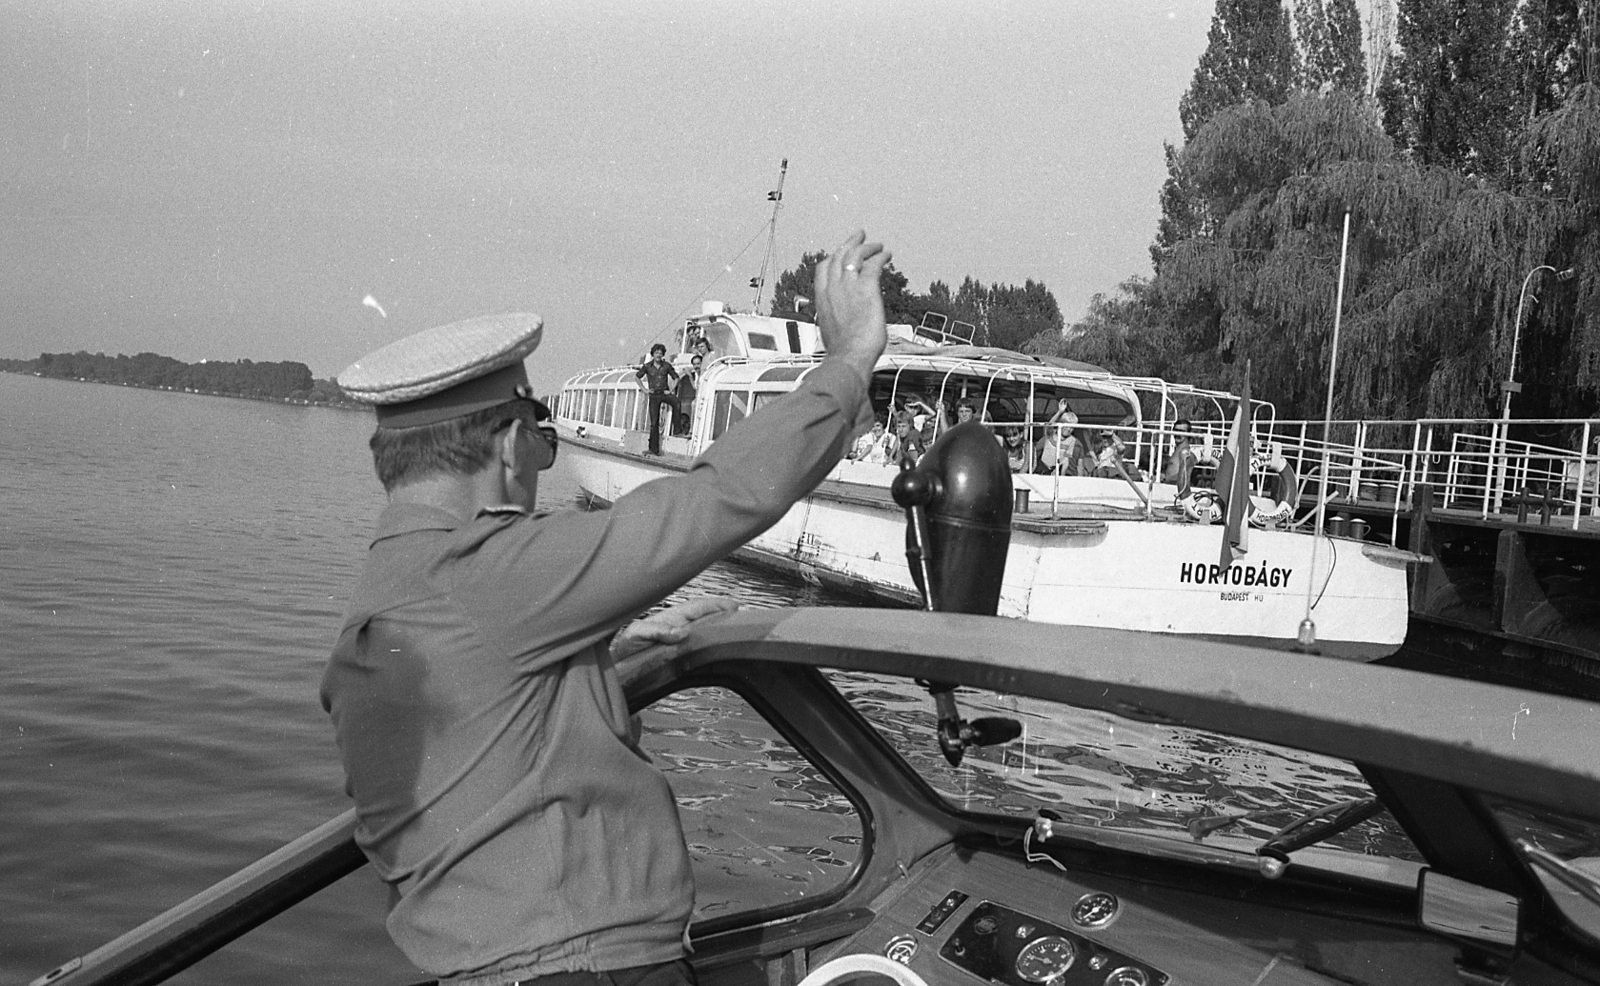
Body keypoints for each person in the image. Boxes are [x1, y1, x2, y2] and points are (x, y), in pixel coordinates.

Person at [321, 230, 891, 986]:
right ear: (509, 444)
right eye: (542, 438)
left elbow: (486, 724)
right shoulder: (487, 571)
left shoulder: (386, 596)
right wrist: (848, 362)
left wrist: (602, 662)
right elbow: (716, 499)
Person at [635, 343, 680, 454]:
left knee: (677, 403)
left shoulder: (666, 366)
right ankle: (653, 449)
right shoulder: (647, 366)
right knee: (654, 422)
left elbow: (676, 377)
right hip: (654, 395)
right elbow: (637, 377)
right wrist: (645, 389)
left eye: (660, 353)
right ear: (653, 354)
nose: (658, 355)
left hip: (664, 393)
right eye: (656, 353)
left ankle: (677, 430)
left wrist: (671, 390)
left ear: (663, 354)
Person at [1036, 406, 1081, 475]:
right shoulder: (1051, 434)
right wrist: (1059, 412)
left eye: (1072, 427)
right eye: (1067, 425)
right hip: (1043, 469)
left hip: (1057, 471)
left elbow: (1066, 461)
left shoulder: (1072, 440)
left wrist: (1062, 476)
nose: (1069, 429)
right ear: (1061, 424)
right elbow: (1049, 425)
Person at [673, 353, 702, 434]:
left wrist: (689, 376)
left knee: (694, 404)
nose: (696, 366)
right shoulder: (697, 375)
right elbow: (695, 386)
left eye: (698, 364)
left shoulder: (704, 374)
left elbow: (697, 388)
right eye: (694, 364)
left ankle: (693, 431)